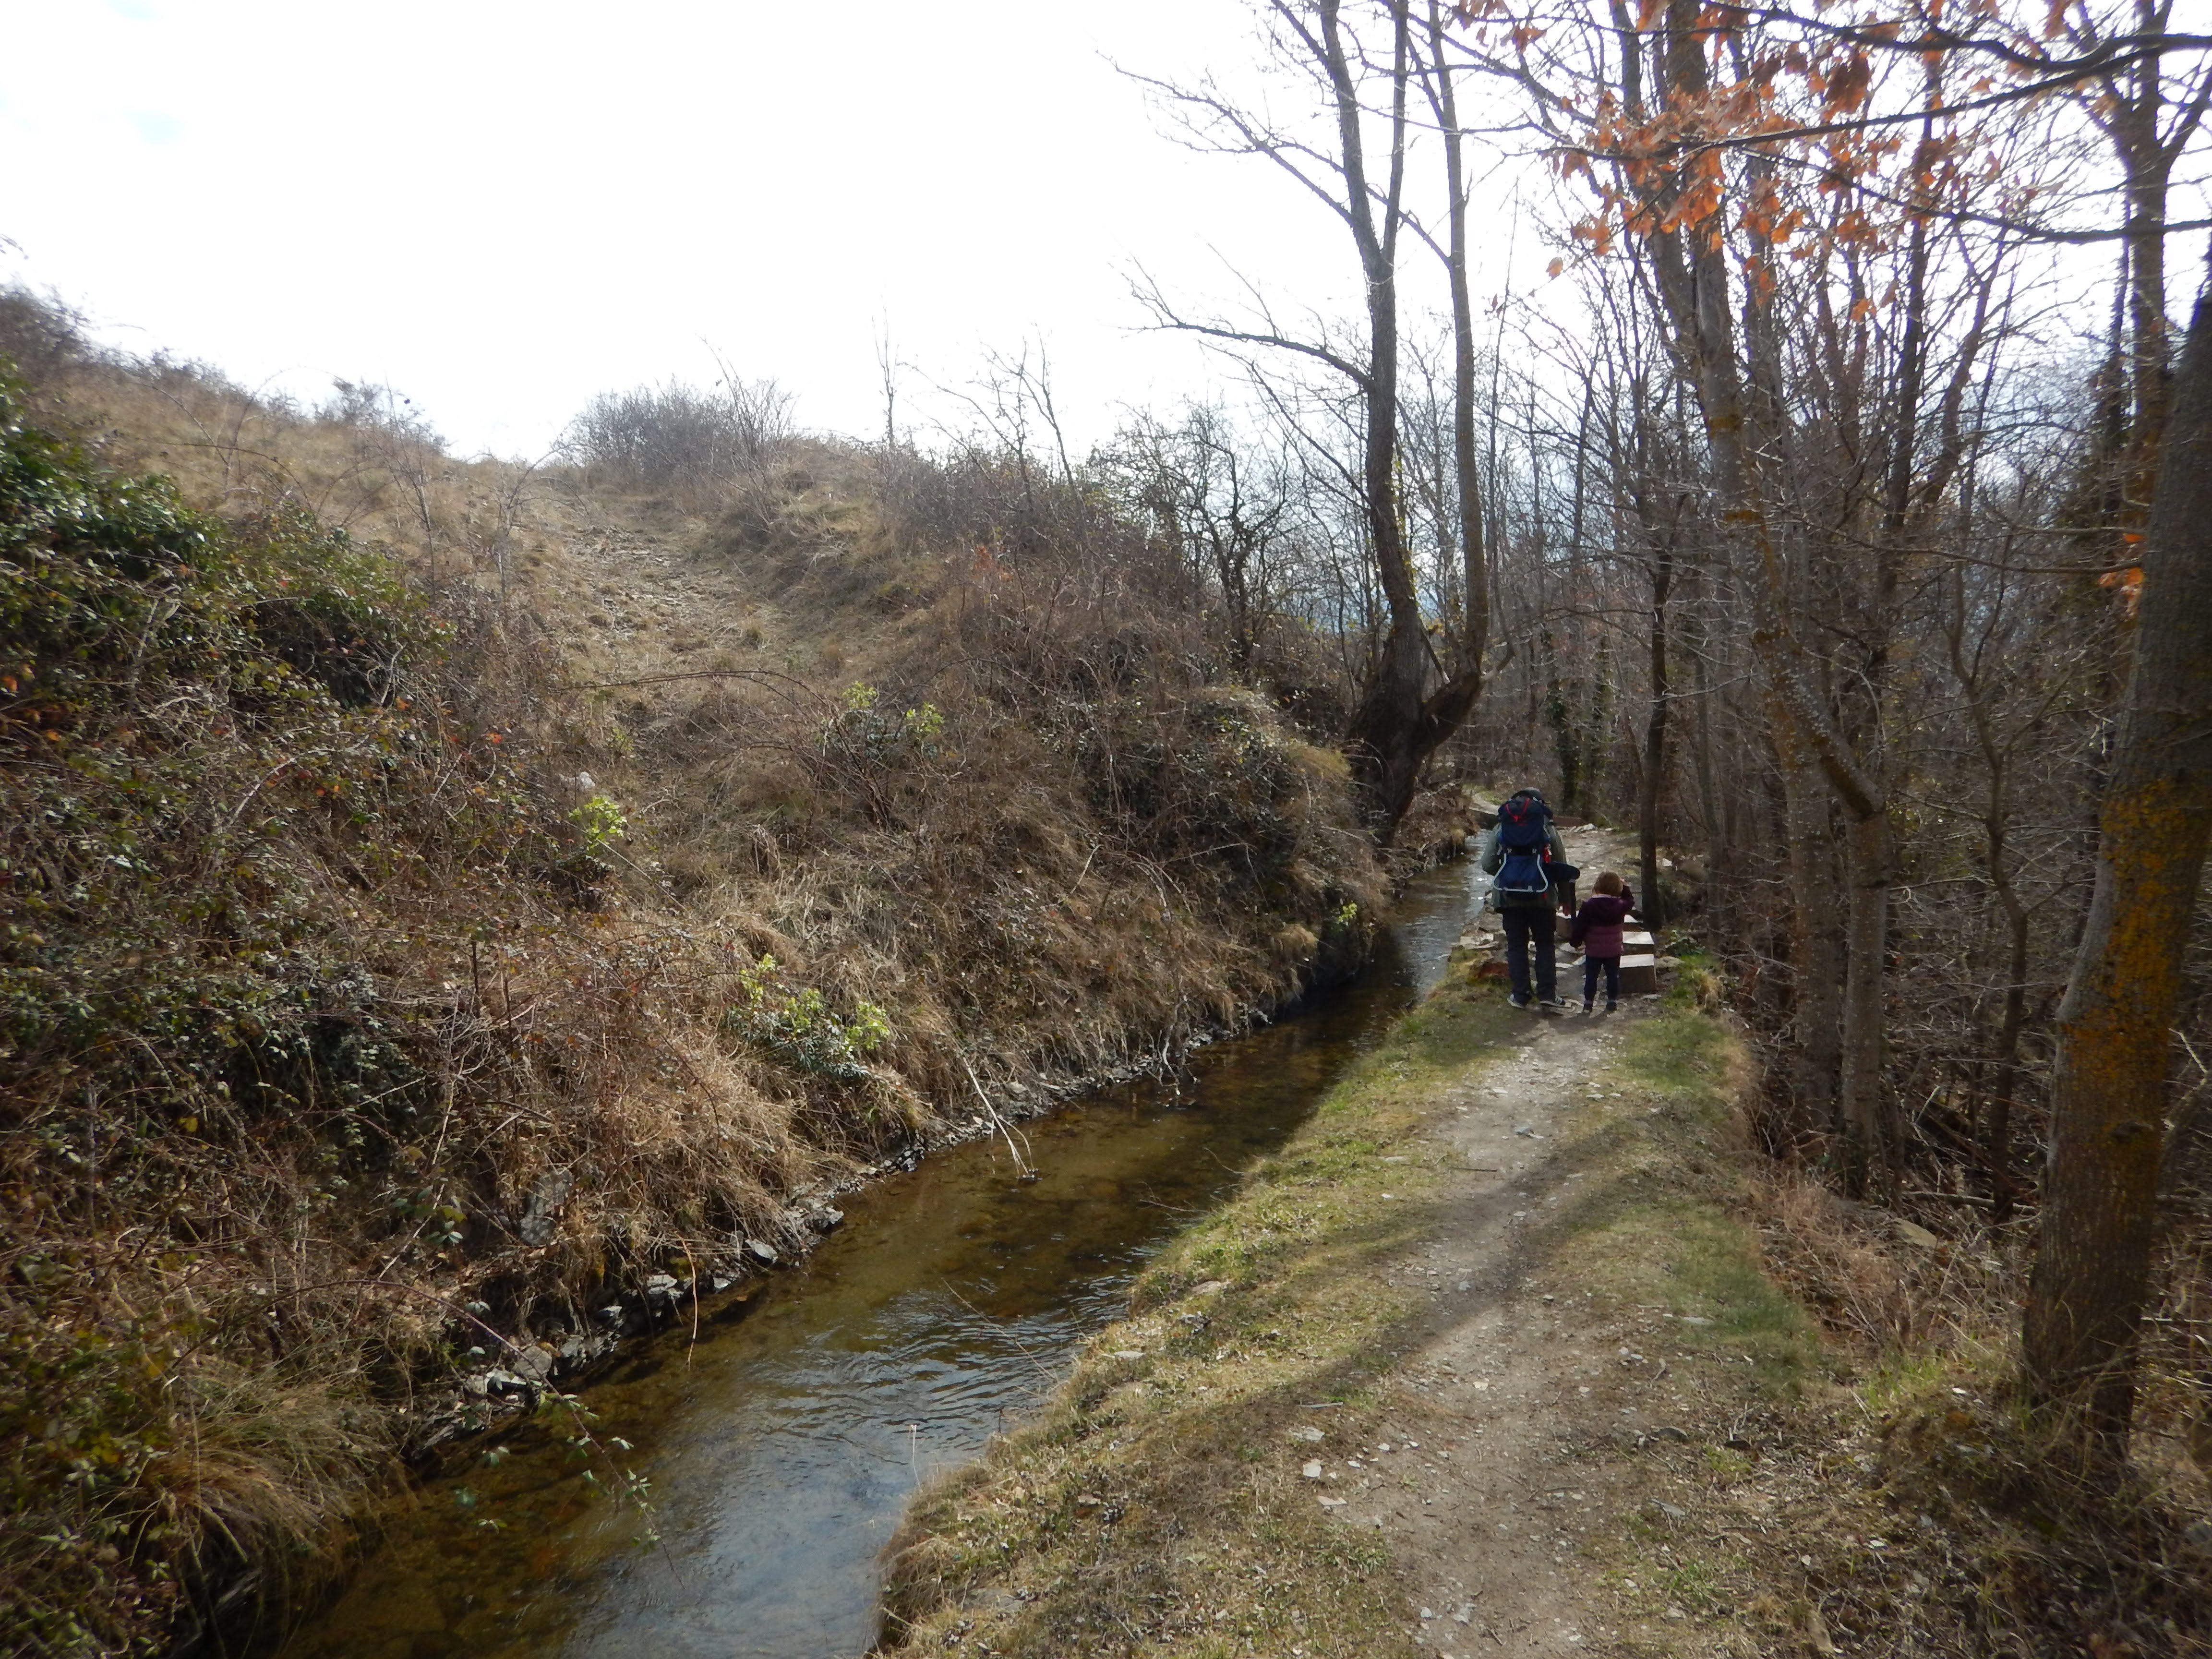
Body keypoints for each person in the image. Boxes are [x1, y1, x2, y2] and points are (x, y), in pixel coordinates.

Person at [1480, 788, 1572, 1010]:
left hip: (1509, 898)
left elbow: (1487, 864)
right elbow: (1561, 866)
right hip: (1542, 897)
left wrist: (1511, 877)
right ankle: (1547, 994)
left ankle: (1520, 995)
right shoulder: (1547, 827)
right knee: (1545, 945)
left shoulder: (1502, 826)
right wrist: (1566, 899)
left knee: (1516, 946)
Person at [1569, 871, 1638, 1014]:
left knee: (1591, 976)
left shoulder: (1588, 906)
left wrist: (1575, 942)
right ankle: (1612, 1002)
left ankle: (1588, 1003)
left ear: (1597, 886)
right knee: (1613, 976)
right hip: (1614, 951)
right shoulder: (1620, 905)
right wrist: (1625, 886)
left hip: (1594, 951)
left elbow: (1580, 927)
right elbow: (1630, 900)